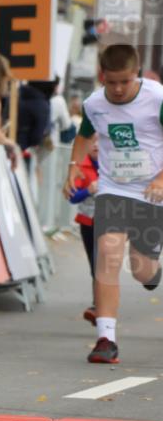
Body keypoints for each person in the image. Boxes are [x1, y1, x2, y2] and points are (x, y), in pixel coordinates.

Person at [64, 43, 163, 364]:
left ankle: (152, 273)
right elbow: (83, 136)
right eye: (111, 82)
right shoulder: (94, 104)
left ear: (137, 74)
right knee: (107, 251)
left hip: (151, 191)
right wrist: (73, 168)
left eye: (125, 81)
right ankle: (105, 339)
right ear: (101, 75)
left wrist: (161, 178)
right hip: (113, 188)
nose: (118, 89)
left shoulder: (157, 98)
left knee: (142, 270)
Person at [67, 137, 99, 326]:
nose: (96, 145)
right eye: (92, 141)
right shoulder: (80, 166)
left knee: (102, 263)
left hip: (112, 222)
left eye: (100, 140)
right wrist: (88, 190)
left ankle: (99, 307)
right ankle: (99, 306)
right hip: (88, 222)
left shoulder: (117, 165)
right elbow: (72, 197)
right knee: (95, 265)